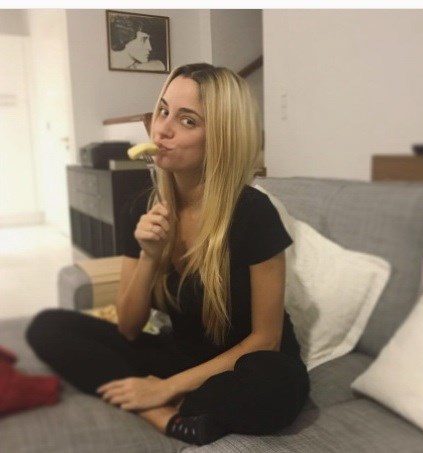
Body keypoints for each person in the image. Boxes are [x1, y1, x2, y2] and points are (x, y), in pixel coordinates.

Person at [26, 63, 309, 445]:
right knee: (48, 326)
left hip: (243, 363)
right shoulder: (142, 210)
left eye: (187, 120)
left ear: (221, 137)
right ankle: (165, 414)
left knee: (277, 383)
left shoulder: (253, 214)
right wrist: (149, 256)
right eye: (163, 111)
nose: (162, 129)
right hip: (180, 354)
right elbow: (129, 327)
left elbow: (266, 339)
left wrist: (165, 387)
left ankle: (173, 402)